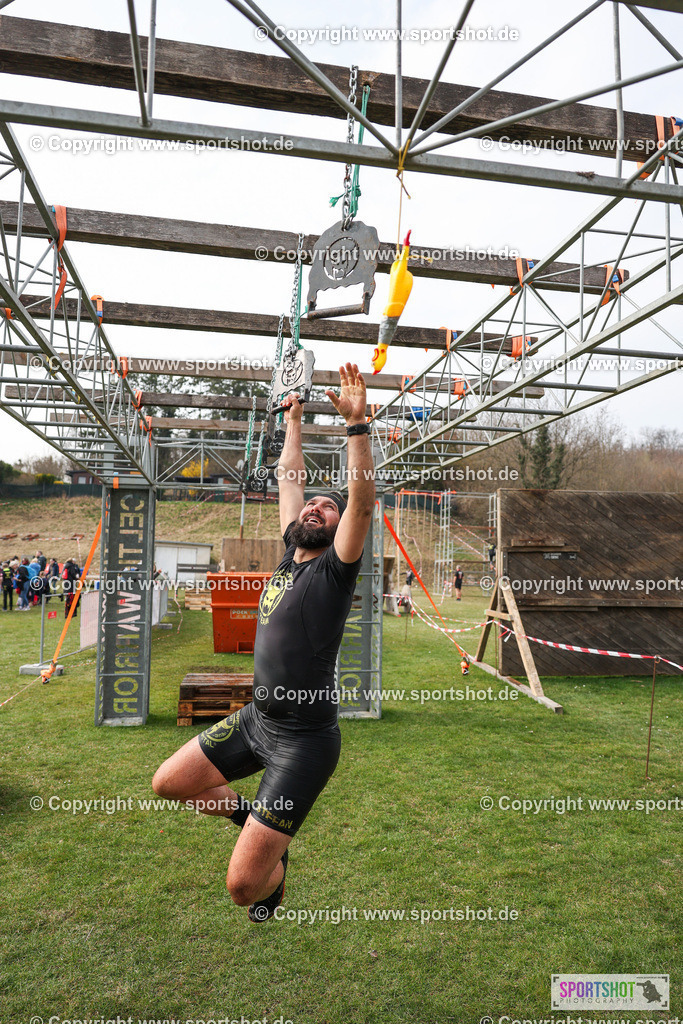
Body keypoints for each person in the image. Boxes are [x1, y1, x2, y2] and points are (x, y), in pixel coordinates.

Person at [152, 363, 375, 923]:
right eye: (311, 505)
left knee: (242, 888)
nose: (313, 507)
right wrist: (293, 419)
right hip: (258, 720)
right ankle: (259, 823)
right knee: (170, 784)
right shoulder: (287, 556)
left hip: (305, 742)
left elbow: (363, 502)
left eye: (327, 508)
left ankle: (273, 873)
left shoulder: (334, 571)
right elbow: (289, 478)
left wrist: (356, 427)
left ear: (338, 529)